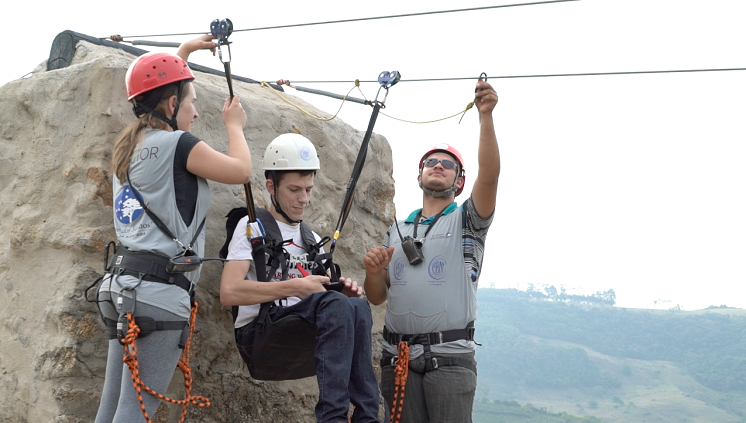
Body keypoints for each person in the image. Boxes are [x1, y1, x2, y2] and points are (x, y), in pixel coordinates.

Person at [94, 35, 252, 422]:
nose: (196, 113)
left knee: (111, 410)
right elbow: (242, 171)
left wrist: (184, 52)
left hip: (121, 287)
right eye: (192, 104)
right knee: (135, 414)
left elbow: (164, 87)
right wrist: (235, 126)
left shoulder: (128, 146)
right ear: (171, 104)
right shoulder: (178, 143)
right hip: (159, 296)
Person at [363, 80, 499, 423]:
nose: (438, 166)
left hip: (450, 360)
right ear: (419, 174)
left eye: (448, 164)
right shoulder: (396, 229)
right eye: (431, 162)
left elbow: (490, 176)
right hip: (398, 359)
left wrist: (485, 117)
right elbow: (377, 297)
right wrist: (372, 272)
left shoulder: (468, 222)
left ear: (459, 181)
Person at [220, 133, 381, 423]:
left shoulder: (312, 238)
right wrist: (297, 286)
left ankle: (367, 418)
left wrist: (339, 295)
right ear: (271, 186)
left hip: (300, 332)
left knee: (357, 307)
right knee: (335, 305)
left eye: (308, 189)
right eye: (294, 189)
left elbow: (323, 301)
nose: (303, 199)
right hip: (261, 335)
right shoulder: (252, 226)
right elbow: (229, 292)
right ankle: (332, 418)